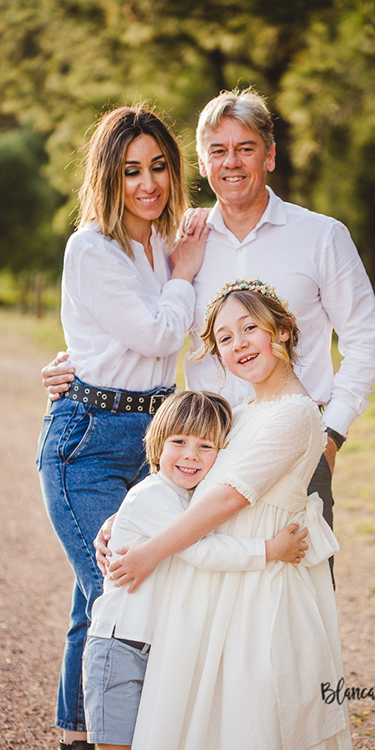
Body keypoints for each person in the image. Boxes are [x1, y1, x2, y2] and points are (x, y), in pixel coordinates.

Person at [43, 88, 375, 581]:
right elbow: (128, 319)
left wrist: (330, 435)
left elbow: (366, 342)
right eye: (219, 151)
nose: (233, 163)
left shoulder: (321, 236)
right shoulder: (178, 240)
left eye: (246, 148)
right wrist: (72, 368)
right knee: (204, 599)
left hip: (293, 449)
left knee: (296, 589)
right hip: (205, 452)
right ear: (202, 164)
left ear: (269, 155)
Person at [104, 279, 351, 749]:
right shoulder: (240, 413)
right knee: (202, 709)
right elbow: (184, 480)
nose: (238, 344)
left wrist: (150, 552)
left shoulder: (297, 414)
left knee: (250, 705)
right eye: (224, 338)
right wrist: (125, 521)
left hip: (257, 588)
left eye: (249, 328)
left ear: (282, 331)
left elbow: (227, 499)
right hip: (218, 570)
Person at [36, 105, 209, 750]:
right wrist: (184, 276)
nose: (147, 183)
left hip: (152, 438)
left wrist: (178, 268)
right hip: (91, 442)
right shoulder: (93, 247)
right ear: (107, 176)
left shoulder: (157, 246)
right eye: (131, 170)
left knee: (96, 600)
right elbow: (160, 331)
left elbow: (156, 343)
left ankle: (80, 733)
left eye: (159, 167)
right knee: (122, 592)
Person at [82, 390, 310, 750]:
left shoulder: (186, 499)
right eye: (179, 441)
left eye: (206, 446)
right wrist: (269, 550)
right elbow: (202, 551)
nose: (190, 454)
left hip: (152, 647)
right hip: (120, 647)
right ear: (157, 444)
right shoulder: (153, 496)